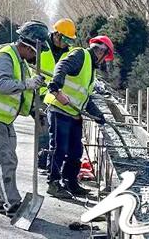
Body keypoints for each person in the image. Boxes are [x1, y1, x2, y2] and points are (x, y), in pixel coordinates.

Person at [0, 20, 49, 217]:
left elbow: (22, 95)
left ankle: (1, 201)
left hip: (4, 119)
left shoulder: (20, 61)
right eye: (35, 53)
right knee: (5, 161)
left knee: (7, 160)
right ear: (28, 46)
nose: (35, 57)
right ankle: (12, 204)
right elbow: (3, 85)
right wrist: (28, 83)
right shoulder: (4, 57)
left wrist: (35, 111)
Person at [43, 35, 115, 198]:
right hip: (59, 108)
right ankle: (53, 183)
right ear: (101, 51)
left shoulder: (91, 69)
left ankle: (71, 182)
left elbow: (84, 97)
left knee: (76, 151)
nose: (104, 61)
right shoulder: (80, 55)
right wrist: (56, 87)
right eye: (105, 57)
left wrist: (98, 115)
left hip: (73, 114)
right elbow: (62, 66)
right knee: (59, 148)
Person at [37, 19, 77, 172]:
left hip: (57, 94)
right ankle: (43, 160)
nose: (67, 43)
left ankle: (50, 161)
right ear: (56, 35)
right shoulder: (40, 47)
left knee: (54, 129)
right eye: (65, 39)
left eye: (69, 40)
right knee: (43, 129)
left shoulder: (69, 52)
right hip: (40, 94)